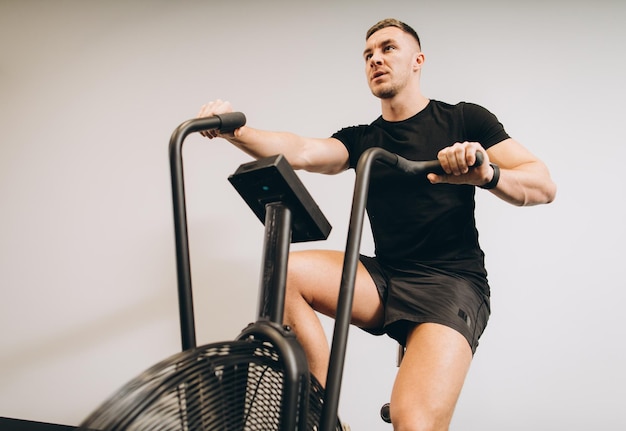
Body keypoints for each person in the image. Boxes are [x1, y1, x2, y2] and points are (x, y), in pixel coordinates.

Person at [197, 18, 556, 431]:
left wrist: (488, 175)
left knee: (412, 419)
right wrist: (234, 129)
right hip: (385, 278)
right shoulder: (363, 139)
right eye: (368, 54)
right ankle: (322, 415)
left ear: (417, 60)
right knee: (286, 272)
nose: (376, 59)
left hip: (451, 284)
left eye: (387, 49)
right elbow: (300, 149)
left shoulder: (463, 120)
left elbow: (542, 183)